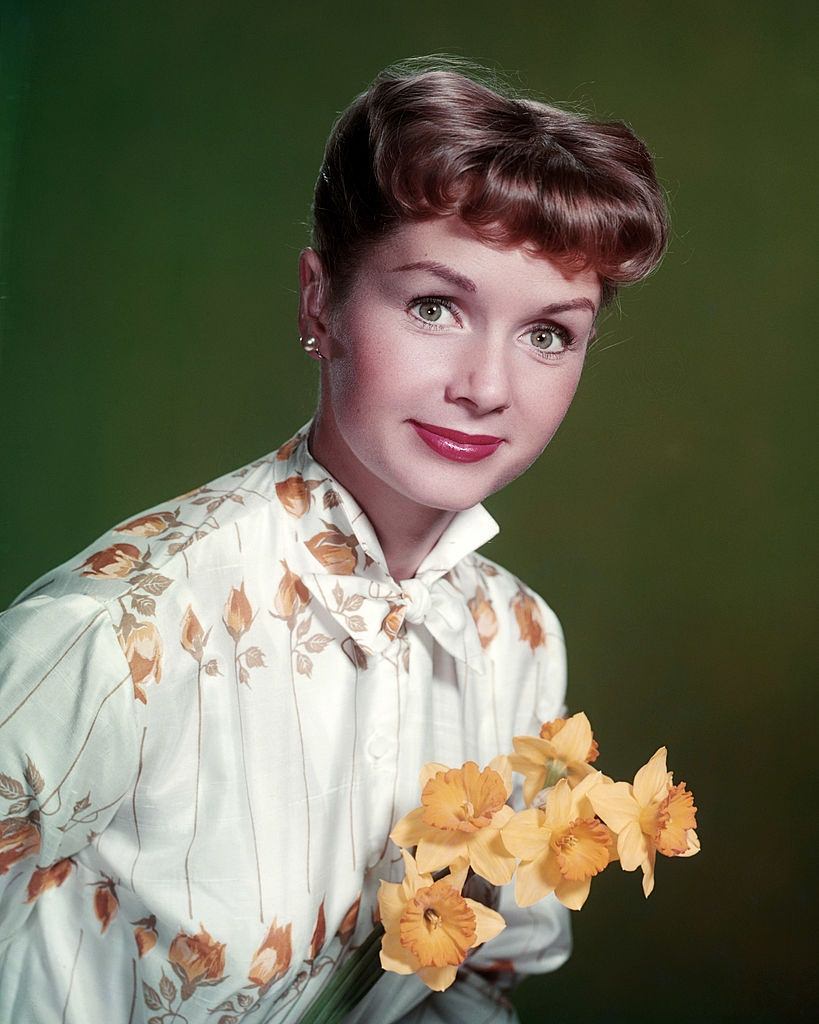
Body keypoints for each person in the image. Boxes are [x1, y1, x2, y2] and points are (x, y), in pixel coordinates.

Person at [0, 57, 667, 1023]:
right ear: (321, 303)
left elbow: (477, 973)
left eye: (548, 334)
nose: (486, 386)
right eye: (434, 307)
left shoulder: (514, 636)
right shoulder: (124, 631)